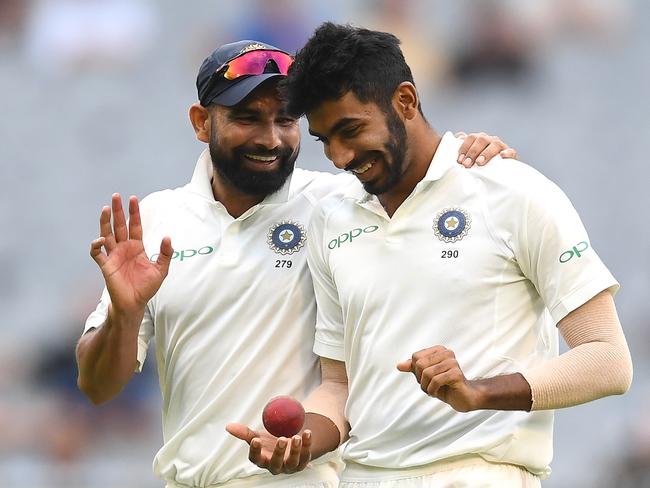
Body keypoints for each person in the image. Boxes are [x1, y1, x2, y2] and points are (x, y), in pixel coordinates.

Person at [75, 39, 516, 488]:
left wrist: (471, 153)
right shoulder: (154, 219)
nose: (270, 139)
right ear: (201, 122)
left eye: (285, 120)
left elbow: (424, 173)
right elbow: (97, 386)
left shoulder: (342, 204)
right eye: (248, 119)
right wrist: (123, 315)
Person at [226, 24, 633, 487]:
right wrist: (300, 444)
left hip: (479, 474)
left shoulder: (512, 190)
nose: (339, 156)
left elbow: (608, 361)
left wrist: (479, 393)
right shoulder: (331, 219)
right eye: (324, 140)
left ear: (405, 101)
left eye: (351, 130)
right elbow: (339, 387)